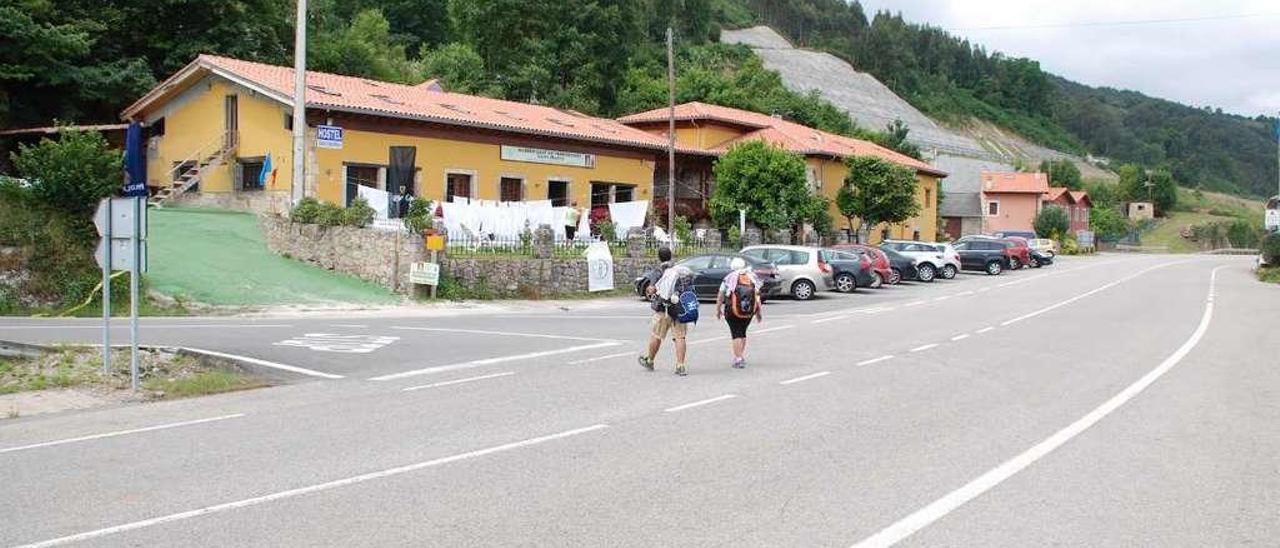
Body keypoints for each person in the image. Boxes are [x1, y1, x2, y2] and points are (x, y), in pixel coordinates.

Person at [639, 246, 691, 376]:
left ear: (659, 257)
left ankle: (650, 360)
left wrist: (651, 292)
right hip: (678, 308)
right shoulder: (678, 269)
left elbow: (651, 289)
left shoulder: (658, 271)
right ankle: (680, 365)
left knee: (657, 335)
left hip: (663, 308)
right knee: (680, 337)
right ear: (671, 256)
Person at [715, 257, 763, 368]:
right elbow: (757, 296)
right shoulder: (751, 277)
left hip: (732, 309)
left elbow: (721, 295)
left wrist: (718, 309)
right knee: (742, 332)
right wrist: (758, 312)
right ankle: (740, 355)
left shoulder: (729, 278)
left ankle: (738, 358)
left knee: (735, 332)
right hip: (749, 310)